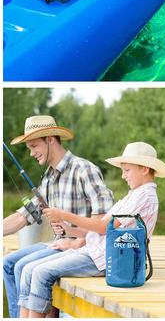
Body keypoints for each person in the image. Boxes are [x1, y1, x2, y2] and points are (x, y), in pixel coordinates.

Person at [17, 142, 165, 318]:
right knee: (29, 269)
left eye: (127, 170)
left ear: (144, 169)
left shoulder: (145, 196)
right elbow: (103, 228)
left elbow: (105, 228)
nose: (123, 176)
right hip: (92, 251)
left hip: (105, 259)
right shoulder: (133, 195)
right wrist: (70, 230)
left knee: (41, 272)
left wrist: (64, 215)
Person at [3, 116, 114, 318]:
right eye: (29, 147)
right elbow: (23, 217)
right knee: (8, 263)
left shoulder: (83, 170)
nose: (31, 153)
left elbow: (103, 223)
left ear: (51, 139)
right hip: (57, 244)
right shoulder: (49, 177)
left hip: (81, 247)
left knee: (22, 267)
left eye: (34, 145)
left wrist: (78, 241)